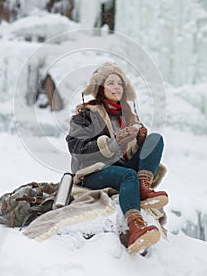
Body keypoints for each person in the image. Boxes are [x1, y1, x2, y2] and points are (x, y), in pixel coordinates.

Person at [66, 62, 168, 254]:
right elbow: (76, 147)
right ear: (100, 88)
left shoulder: (129, 116)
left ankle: (143, 187)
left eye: (120, 83)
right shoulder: (85, 115)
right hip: (94, 171)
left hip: (120, 167)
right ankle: (135, 226)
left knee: (155, 139)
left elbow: (126, 154)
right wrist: (112, 142)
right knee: (128, 175)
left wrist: (138, 141)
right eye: (110, 83)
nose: (116, 87)